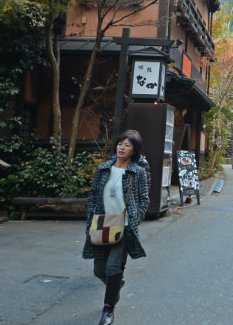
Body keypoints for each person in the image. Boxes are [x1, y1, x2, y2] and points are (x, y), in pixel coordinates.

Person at [83, 130, 150, 325]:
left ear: (134, 150)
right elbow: (93, 195)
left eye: (127, 145)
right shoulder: (103, 168)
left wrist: (135, 219)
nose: (122, 147)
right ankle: (116, 285)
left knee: (114, 267)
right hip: (101, 224)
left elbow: (144, 199)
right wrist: (90, 218)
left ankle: (108, 309)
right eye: (120, 144)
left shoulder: (137, 172)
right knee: (99, 270)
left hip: (124, 226)